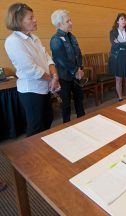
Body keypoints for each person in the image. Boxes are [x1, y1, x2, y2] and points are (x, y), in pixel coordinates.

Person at [5, 3, 60, 137]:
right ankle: (32, 157)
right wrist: (52, 79)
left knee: (47, 120)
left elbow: (47, 58)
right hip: (31, 90)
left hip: (44, 86)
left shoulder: (34, 38)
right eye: (30, 18)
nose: (35, 20)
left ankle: (43, 152)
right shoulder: (13, 41)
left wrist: (55, 76)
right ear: (18, 20)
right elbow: (30, 69)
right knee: (36, 127)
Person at [50, 9, 85, 123]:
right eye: (68, 21)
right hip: (64, 77)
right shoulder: (55, 40)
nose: (71, 23)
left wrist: (80, 68)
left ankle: (84, 122)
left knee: (79, 100)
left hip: (76, 75)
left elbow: (78, 54)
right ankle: (66, 126)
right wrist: (75, 71)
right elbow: (61, 60)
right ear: (60, 24)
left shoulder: (72, 36)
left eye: (70, 20)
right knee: (66, 105)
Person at [108, 13, 126, 101]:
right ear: (118, 21)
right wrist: (125, 44)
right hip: (117, 57)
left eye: (125, 19)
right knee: (118, 79)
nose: (124, 21)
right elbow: (114, 45)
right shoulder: (113, 32)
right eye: (122, 19)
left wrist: (121, 44)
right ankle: (120, 98)